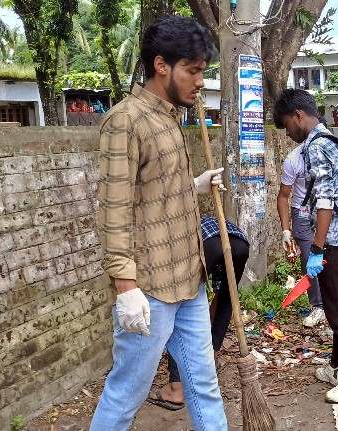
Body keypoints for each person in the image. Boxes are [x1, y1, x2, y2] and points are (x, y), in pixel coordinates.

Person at [91, 16, 228, 430]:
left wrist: (194, 185)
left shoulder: (170, 117)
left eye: (202, 71)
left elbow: (152, 190)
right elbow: (114, 209)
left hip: (189, 278)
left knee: (203, 384)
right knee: (126, 392)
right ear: (161, 65)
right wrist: (126, 288)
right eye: (193, 70)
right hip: (150, 291)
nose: (200, 82)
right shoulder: (125, 121)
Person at [273, 88, 338, 403]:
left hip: (331, 241)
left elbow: (326, 202)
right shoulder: (334, 140)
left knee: (336, 311)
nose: (288, 133)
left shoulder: (316, 147)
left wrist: (317, 249)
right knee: (337, 304)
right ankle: (337, 366)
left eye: (287, 126)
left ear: (298, 116)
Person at [148, 216, 249, 411]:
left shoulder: (170, 236)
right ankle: (209, 359)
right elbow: (217, 300)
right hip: (239, 243)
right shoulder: (195, 219)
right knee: (227, 299)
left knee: (181, 307)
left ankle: (176, 388)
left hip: (208, 243)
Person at [277, 134, 326, 328]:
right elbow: (283, 196)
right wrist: (286, 230)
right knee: (309, 258)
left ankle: (336, 300)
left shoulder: (329, 152)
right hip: (302, 213)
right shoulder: (294, 159)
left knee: (330, 255)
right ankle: (318, 305)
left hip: (327, 210)